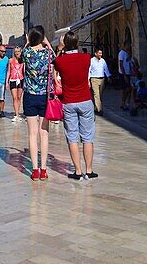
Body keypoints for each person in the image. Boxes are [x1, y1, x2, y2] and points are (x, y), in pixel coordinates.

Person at [53, 31, 97, 180]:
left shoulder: (61, 61)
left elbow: (55, 63)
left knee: (72, 137)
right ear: (77, 43)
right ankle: (89, 170)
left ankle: (78, 171)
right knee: (88, 137)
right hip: (85, 100)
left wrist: (59, 49)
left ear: (65, 43)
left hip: (69, 101)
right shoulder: (86, 58)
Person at [22, 27, 53, 181]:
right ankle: (44, 169)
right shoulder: (47, 54)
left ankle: (34, 170)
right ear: (42, 38)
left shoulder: (26, 53)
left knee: (32, 134)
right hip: (44, 97)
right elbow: (54, 57)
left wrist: (28, 43)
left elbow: (22, 54)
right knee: (44, 134)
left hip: (29, 96)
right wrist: (47, 44)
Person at [88, 47, 110, 114]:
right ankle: (100, 110)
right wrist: (88, 80)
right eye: (99, 53)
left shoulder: (103, 60)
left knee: (100, 95)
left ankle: (96, 107)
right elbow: (88, 70)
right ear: (96, 53)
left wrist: (108, 76)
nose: (100, 54)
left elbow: (105, 69)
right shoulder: (91, 60)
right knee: (96, 95)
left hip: (102, 79)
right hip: (94, 79)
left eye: (101, 53)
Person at [8, 47, 25, 121]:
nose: (17, 53)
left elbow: (24, 71)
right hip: (13, 79)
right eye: (16, 51)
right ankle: (16, 114)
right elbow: (8, 71)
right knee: (14, 97)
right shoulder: (10, 60)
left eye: (18, 51)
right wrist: (6, 82)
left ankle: (18, 112)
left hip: (21, 79)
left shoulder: (23, 61)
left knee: (19, 97)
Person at [118, 41, 134, 111]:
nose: (129, 46)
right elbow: (121, 64)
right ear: (125, 45)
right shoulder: (121, 53)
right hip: (123, 74)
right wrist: (124, 75)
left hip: (128, 73)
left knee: (129, 89)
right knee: (124, 89)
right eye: (128, 45)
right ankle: (123, 103)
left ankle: (126, 103)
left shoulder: (128, 53)